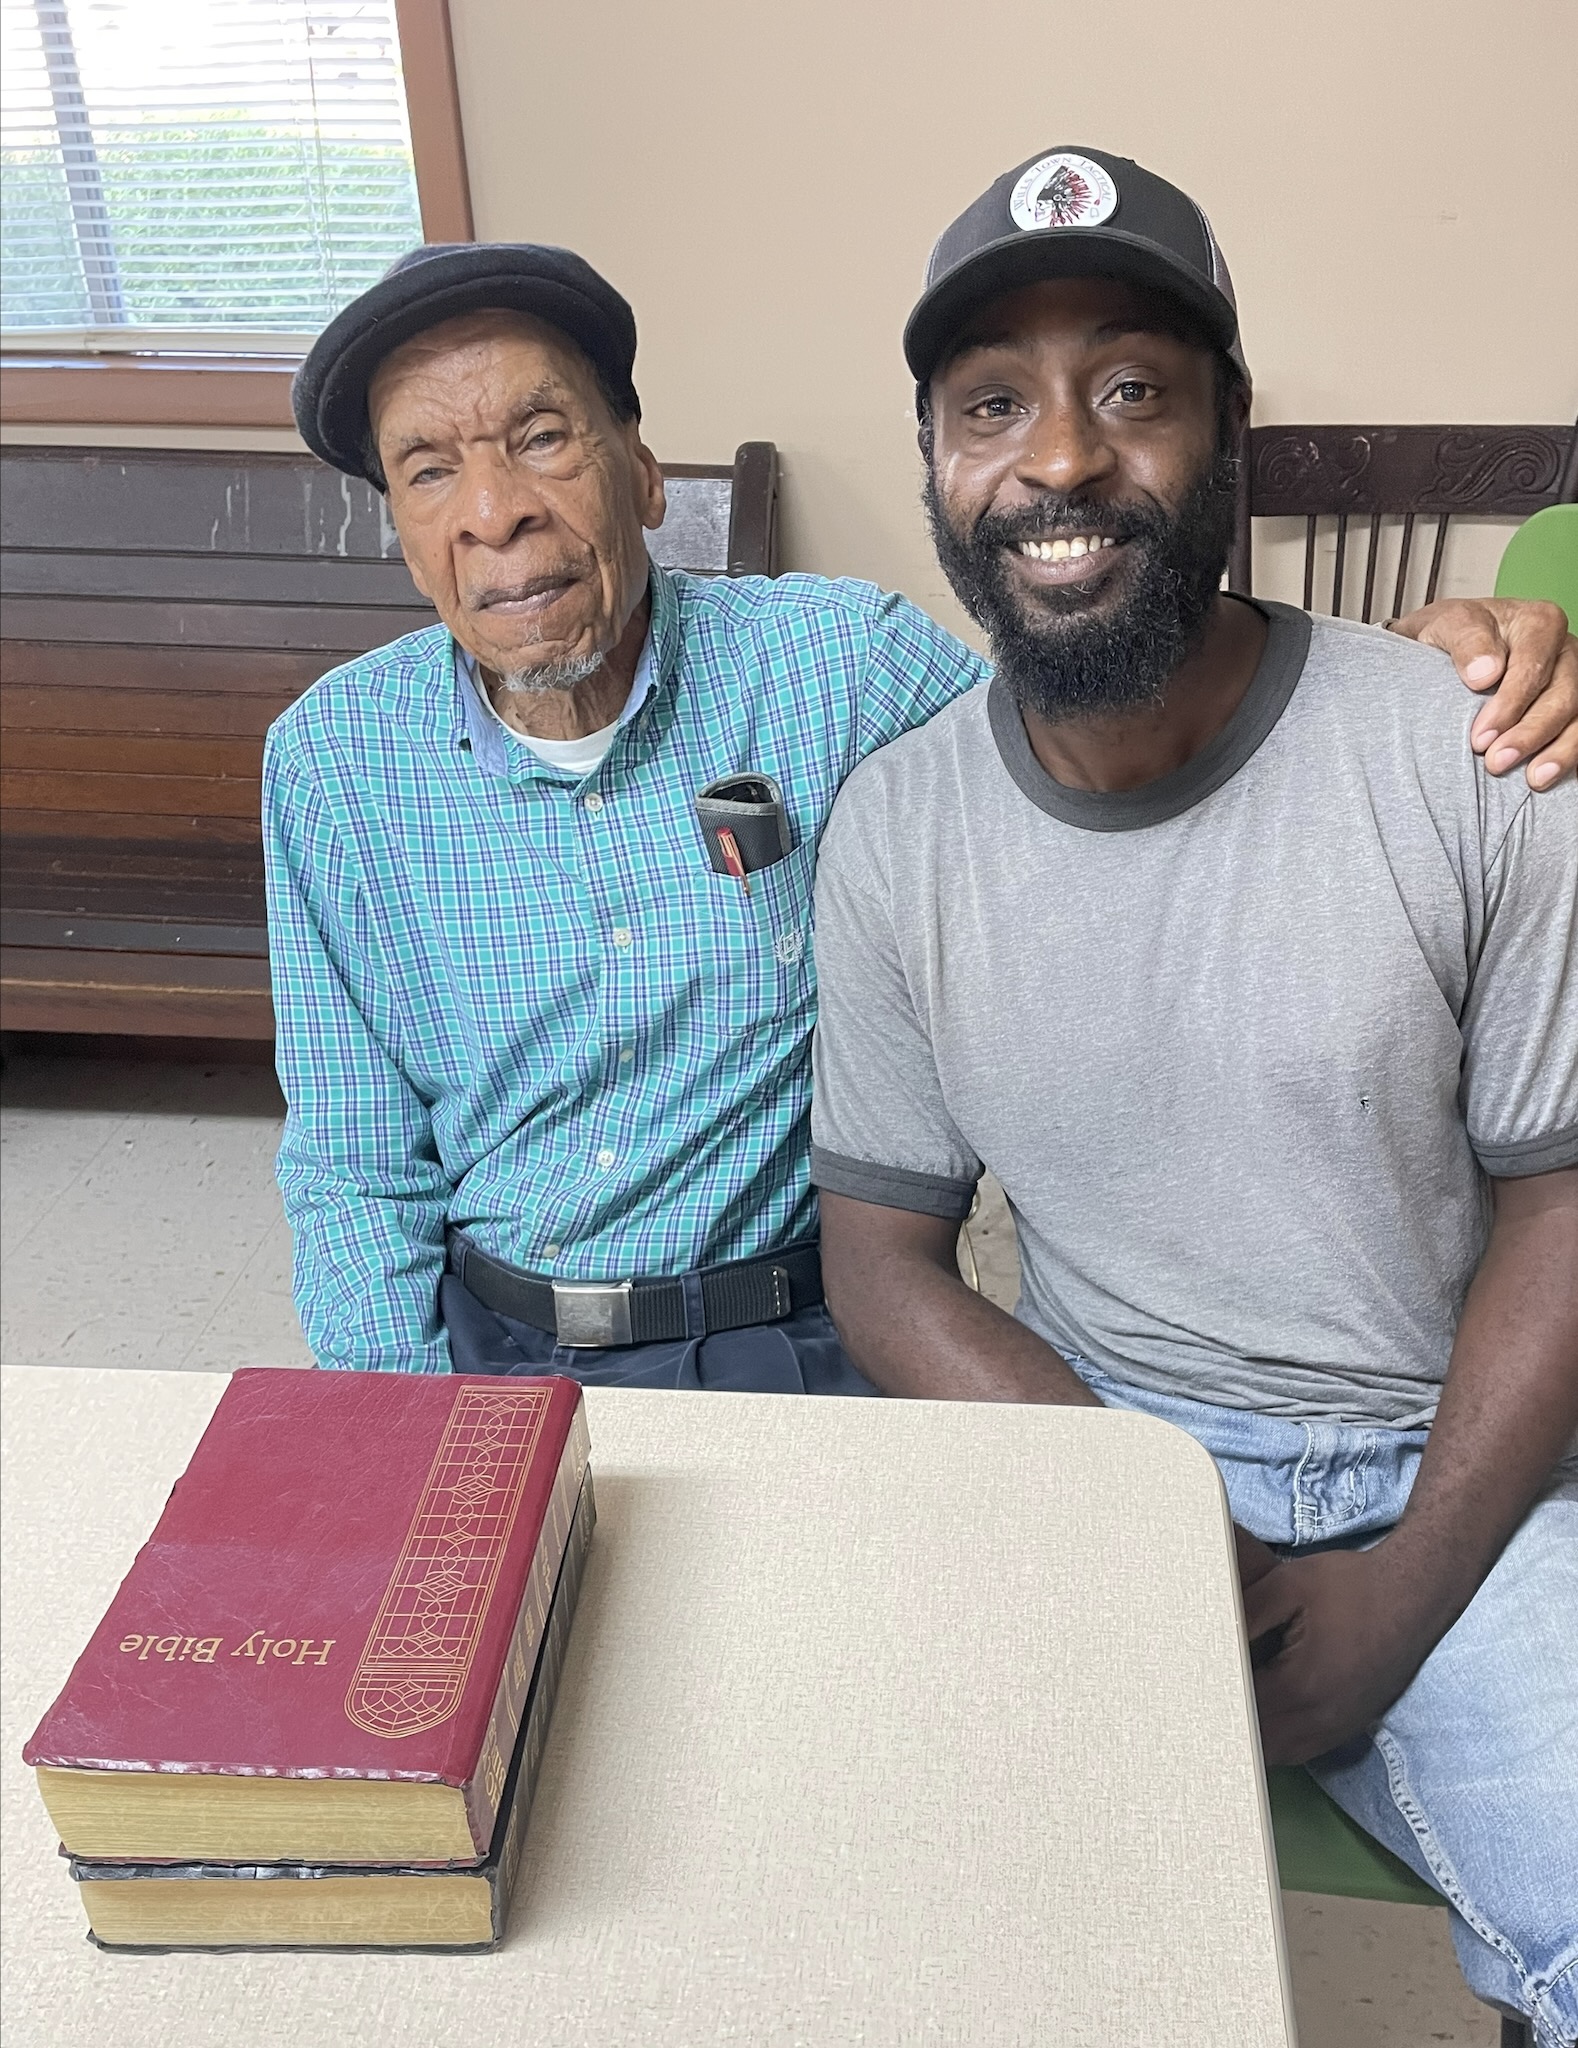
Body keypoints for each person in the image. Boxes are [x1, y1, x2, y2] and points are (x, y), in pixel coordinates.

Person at [269, 234, 1577, 1390]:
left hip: (808, 1331)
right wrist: (397, 1418)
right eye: (428, 471)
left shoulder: (843, 666)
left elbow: (1106, 723)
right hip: (498, 1343)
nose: (495, 513)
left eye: (541, 439)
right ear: (398, 527)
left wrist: (1404, 676)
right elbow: (350, 1150)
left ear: (647, 474)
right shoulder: (330, 765)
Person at [809, 147, 1577, 2040]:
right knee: (869, 1911)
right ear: (933, 465)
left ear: (1231, 430)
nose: (1059, 458)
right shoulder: (895, 829)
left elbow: (1565, 1201)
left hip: (1454, 1454)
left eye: (1132, 387)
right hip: (1092, 1444)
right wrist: (1149, 1525)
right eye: (991, 403)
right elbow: (884, 1263)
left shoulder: (1471, 752)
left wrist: (1394, 1598)